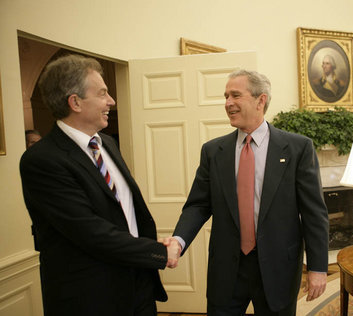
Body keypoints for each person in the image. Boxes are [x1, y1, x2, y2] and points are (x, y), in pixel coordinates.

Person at [19, 54, 180, 316]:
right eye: (103, 93)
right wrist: (158, 252)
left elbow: (123, 211)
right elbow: (90, 232)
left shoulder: (107, 143)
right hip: (91, 296)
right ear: (75, 102)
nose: (111, 101)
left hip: (138, 286)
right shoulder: (42, 160)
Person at [165, 70, 329, 315]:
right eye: (226, 96)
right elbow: (198, 206)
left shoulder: (297, 148)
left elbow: (314, 213)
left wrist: (318, 268)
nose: (227, 103)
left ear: (260, 100)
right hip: (227, 268)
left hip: (278, 268)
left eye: (235, 95)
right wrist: (178, 240)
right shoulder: (213, 151)